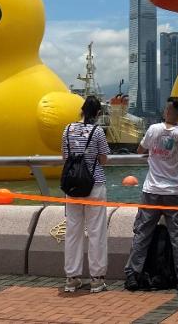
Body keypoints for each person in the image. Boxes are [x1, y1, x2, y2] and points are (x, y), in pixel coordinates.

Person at [124, 96, 178, 292]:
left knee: (142, 233)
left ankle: (132, 276)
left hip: (151, 190)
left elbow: (140, 150)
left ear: (167, 111)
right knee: (177, 236)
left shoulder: (153, 129)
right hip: (174, 191)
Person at [62, 95, 110, 294]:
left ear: (81, 110)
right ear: (98, 113)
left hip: (72, 187)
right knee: (96, 232)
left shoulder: (67, 130)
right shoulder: (97, 131)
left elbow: (65, 157)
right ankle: (97, 279)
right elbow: (104, 159)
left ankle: (72, 278)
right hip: (94, 185)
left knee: (73, 231)